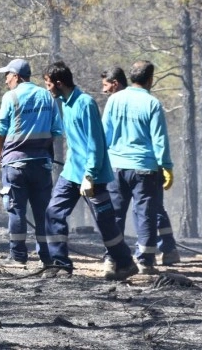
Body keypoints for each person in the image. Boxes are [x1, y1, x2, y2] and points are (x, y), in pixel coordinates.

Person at [41, 61, 138, 280]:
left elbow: (96, 143)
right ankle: (60, 263)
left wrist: (90, 175)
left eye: (48, 84)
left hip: (90, 177)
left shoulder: (85, 103)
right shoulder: (65, 103)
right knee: (53, 212)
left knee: (105, 222)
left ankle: (125, 263)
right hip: (70, 173)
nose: (47, 89)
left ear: (58, 83)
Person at [102, 61, 180, 274]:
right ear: (150, 79)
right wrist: (167, 166)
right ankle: (145, 261)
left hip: (116, 167)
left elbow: (104, 135)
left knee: (115, 215)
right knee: (145, 214)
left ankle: (112, 260)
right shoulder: (152, 103)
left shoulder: (114, 100)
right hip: (145, 168)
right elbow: (160, 139)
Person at [0, 59, 63, 268]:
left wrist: (0, 154)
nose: (6, 80)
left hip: (15, 165)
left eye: (7, 75)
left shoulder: (11, 97)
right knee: (42, 212)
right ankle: (47, 258)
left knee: (16, 211)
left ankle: (18, 256)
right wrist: (41, 150)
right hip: (42, 165)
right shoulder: (47, 96)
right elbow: (56, 131)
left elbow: (1, 131)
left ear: (16, 76)